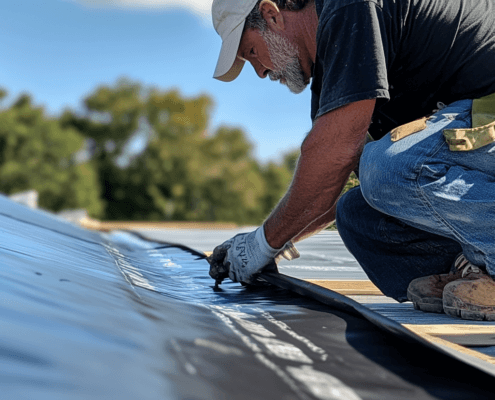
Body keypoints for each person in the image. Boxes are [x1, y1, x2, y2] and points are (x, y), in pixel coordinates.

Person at [208, 0, 495, 321]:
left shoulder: (349, 7)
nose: (260, 71)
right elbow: (332, 178)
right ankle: (474, 270)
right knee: (357, 215)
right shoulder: (339, 56)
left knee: (387, 168)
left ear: (271, 14)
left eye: (250, 52)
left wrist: (261, 243)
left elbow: (334, 151)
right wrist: (272, 244)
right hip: (479, 143)